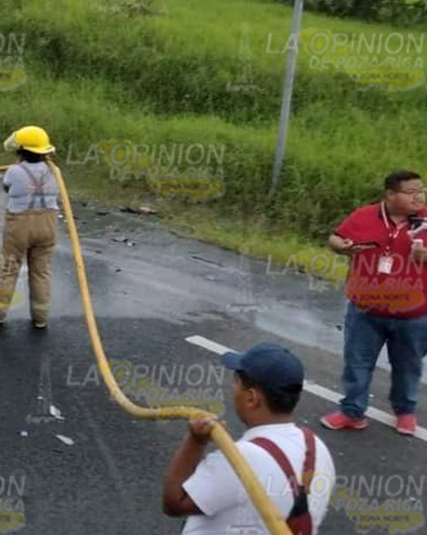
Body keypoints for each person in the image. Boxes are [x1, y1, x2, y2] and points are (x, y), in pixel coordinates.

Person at [163, 342, 335, 535]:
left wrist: (195, 441)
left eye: (236, 382)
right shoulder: (319, 449)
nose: (232, 389)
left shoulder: (240, 459)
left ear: (251, 398)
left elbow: (174, 502)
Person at [320, 170, 427, 436]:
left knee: (408, 365)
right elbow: (334, 237)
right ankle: (352, 411)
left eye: (422, 191)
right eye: (411, 192)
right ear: (390, 194)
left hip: (413, 314)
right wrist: (342, 247)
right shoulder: (364, 216)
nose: (419, 197)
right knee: (357, 362)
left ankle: (405, 411)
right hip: (365, 310)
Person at [0, 126, 59, 328]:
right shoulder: (55, 171)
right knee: (41, 270)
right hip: (48, 223)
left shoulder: (14, 171)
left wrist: (19, 168)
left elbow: (7, 187)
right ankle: (41, 316)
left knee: (8, 268)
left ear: (21, 151)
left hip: (20, 223)